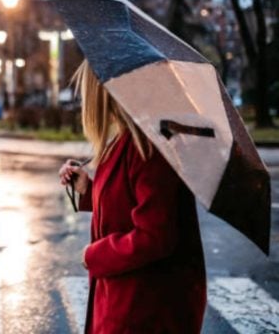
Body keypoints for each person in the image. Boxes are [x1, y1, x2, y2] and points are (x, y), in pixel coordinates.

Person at [59, 60, 207, 334]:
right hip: (126, 300)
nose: (84, 103)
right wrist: (88, 190)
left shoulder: (147, 147)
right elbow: (130, 203)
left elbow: (155, 236)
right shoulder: (128, 141)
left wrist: (95, 255)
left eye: (87, 93)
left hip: (142, 308)